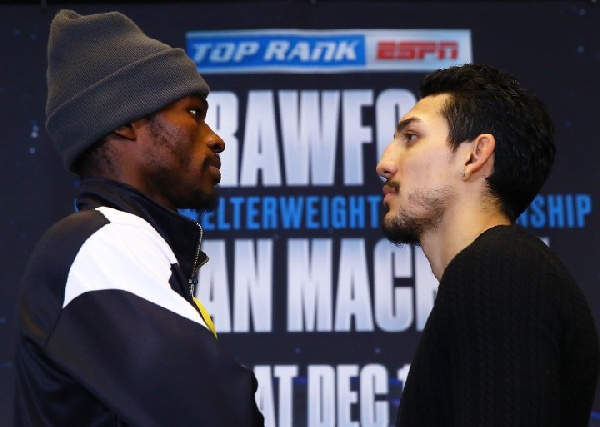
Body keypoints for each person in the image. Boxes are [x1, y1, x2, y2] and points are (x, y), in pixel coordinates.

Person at [14, 9, 264, 426]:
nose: (216, 139)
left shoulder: (118, 243)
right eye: (194, 114)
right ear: (127, 122)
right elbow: (218, 415)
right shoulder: (102, 243)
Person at [376, 63, 599, 426]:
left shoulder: (499, 268)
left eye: (411, 137)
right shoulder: (501, 269)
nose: (384, 164)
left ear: (474, 156)